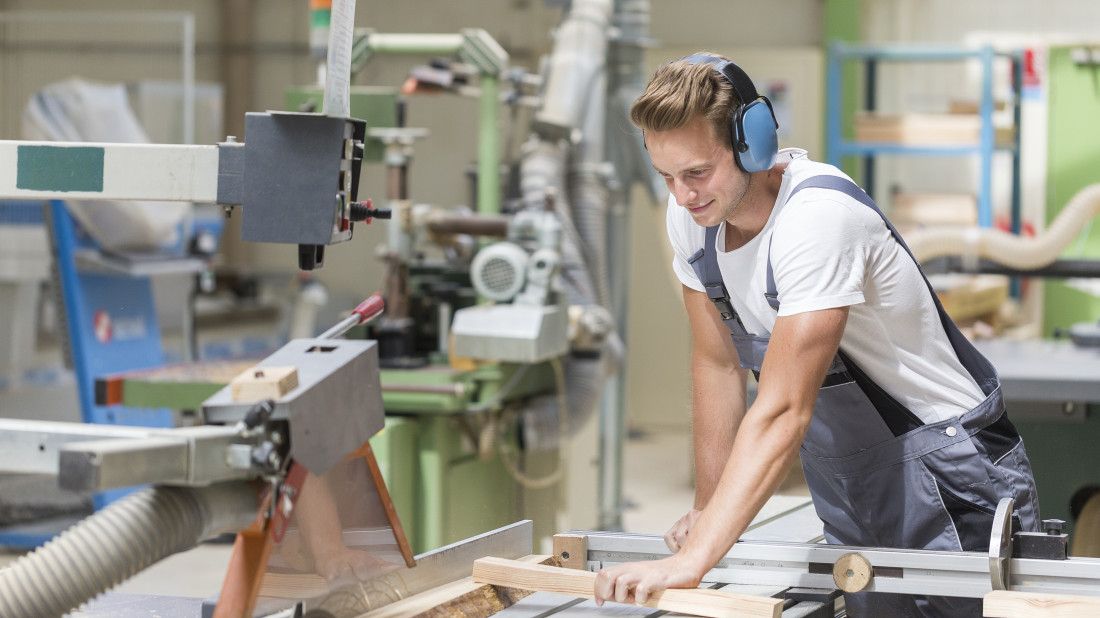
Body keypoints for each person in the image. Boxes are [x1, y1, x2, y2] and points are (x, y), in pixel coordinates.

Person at [593, 52, 1040, 617]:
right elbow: (717, 363)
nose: (682, 196)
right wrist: (707, 511)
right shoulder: (693, 219)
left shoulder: (817, 218)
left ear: (750, 142)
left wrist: (694, 560)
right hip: (848, 477)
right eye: (667, 177)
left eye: (697, 173)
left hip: (950, 472)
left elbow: (783, 410)